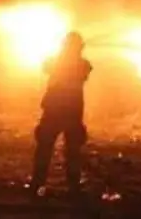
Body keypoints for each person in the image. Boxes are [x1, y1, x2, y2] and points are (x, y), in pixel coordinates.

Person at [30, 30, 93, 198]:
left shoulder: (65, 63)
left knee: (47, 148)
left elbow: (47, 66)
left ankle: (38, 183)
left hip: (55, 111)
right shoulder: (82, 65)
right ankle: (72, 187)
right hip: (71, 112)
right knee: (71, 151)